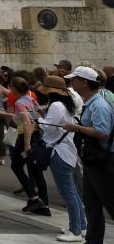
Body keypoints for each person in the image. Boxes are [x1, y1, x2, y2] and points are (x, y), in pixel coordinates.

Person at [64, 66, 114, 244]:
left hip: (103, 161)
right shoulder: (92, 102)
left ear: (84, 82)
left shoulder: (98, 104)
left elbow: (103, 132)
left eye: (74, 79)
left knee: (109, 203)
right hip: (95, 161)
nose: (71, 83)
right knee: (92, 205)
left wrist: (75, 127)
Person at [36, 75, 84, 242]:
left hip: (60, 152)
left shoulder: (56, 105)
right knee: (73, 192)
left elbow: (48, 128)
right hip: (68, 150)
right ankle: (79, 226)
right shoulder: (65, 104)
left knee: (68, 192)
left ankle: (76, 231)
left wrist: (38, 119)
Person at [4, 77, 50, 216]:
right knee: (36, 171)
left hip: (25, 136)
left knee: (16, 166)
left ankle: (34, 197)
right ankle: (44, 205)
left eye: (11, 87)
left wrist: (26, 144)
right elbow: (40, 114)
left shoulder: (19, 103)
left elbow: (27, 123)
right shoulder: (30, 98)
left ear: (14, 89)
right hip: (37, 136)